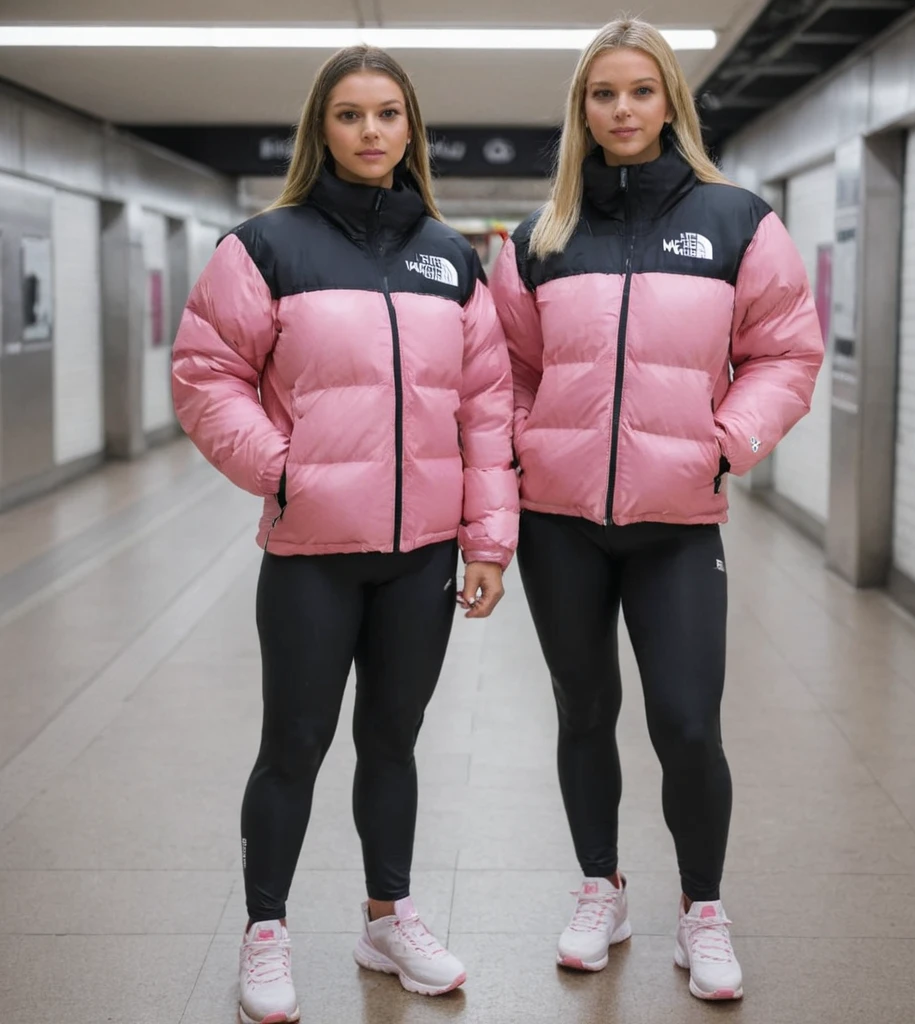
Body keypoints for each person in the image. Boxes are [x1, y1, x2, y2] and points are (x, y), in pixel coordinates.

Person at [171, 45, 518, 1023]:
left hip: (422, 554)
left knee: (393, 742)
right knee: (294, 742)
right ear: (319, 129)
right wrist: (281, 471)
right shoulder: (265, 246)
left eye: (388, 115)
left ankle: (386, 917)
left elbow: (486, 407)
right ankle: (266, 931)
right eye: (350, 115)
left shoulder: (452, 258)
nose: (371, 132)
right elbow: (205, 377)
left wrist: (488, 539)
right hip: (312, 553)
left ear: (411, 130)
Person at [490, 18, 824, 1003]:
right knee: (584, 711)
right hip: (560, 524)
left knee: (685, 722)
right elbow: (505, 370)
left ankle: (703, 911)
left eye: (640, 91)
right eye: (603, 94)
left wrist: (724, 442)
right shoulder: (539, 237)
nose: (622, 110)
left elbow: (786, 353)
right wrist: (524, 447)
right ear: (580, 110)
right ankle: (601, 888)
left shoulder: (737, 223)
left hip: (677, 523)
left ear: (670, 100)